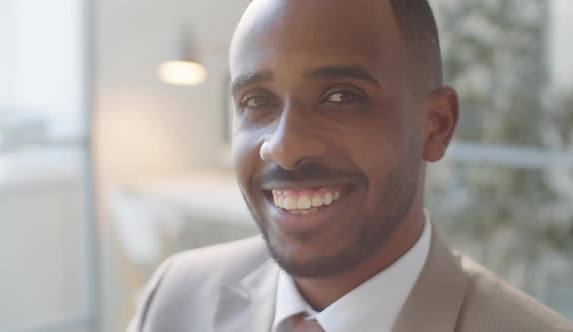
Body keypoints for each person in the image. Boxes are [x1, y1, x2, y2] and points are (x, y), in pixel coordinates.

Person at [127, 0, 573, 331]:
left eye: (341, 96)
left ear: (435, 126)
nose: (284, 149)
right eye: (257, 101)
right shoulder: (176, 297)